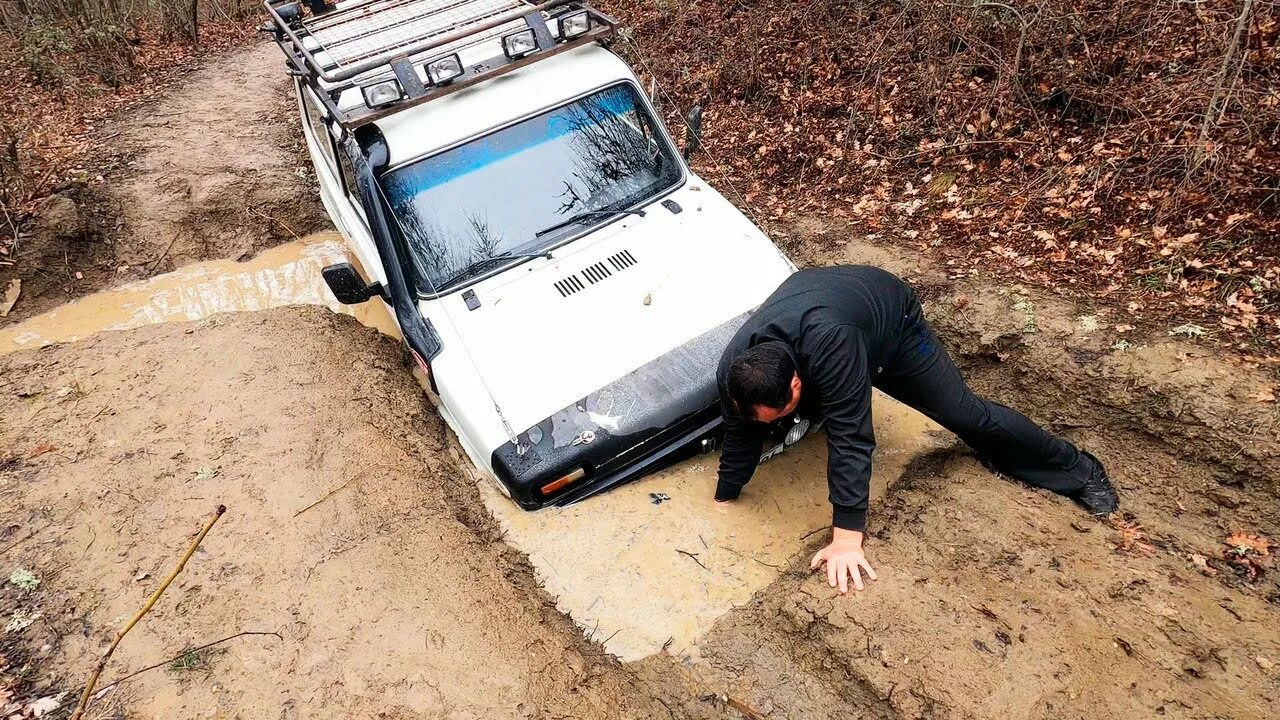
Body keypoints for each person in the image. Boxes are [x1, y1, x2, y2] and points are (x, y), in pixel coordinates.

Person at [714, 265, 1118, 593]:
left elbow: (852, 438)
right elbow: (739, 434)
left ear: (796, 384)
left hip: (890, 321)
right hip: (826, 303)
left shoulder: (832, 347)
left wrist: (847, 538)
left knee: (964, 414)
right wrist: (725, 495)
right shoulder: (736, 372)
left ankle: (1077, 469)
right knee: (795, 411)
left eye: (780, 412)